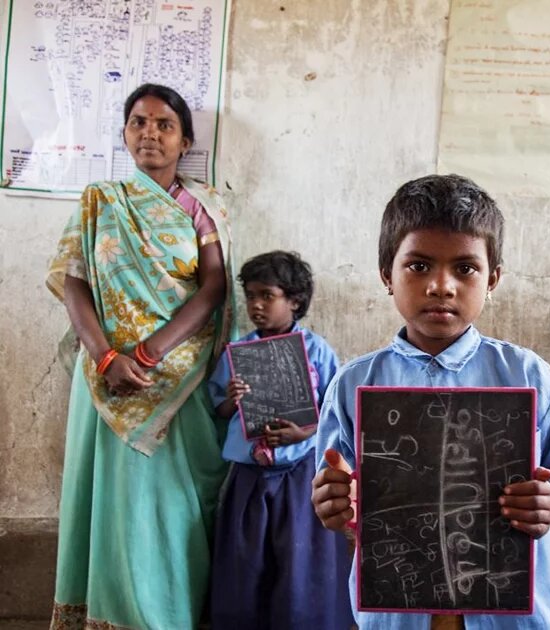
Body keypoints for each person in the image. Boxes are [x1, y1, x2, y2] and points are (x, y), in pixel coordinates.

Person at [311, 173, 550, 629]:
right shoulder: (353, 384)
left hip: (517, 611)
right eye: (419, 266)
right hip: (399, 607)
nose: (442, 285)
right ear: (387, 274)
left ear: (492, 279)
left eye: (465, 268)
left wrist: (548, 503)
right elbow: (334, 489)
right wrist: (333, 502)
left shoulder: (529, 376)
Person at [46, 83, 234, 629]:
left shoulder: (204, 205)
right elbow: (74, 282)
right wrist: (106, 356)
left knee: (172, 506)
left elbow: (215, 285)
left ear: (185, 140)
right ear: (125, 134)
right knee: (113, 502)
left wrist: (151, 353)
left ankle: (170, 616)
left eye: (164, 124)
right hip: (106, 379)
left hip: (178, 377)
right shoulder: (100, 201)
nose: (150, 132)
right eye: (138, 122)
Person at [208, 250, 353, 629]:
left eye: (267, 296)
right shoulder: (237, 353)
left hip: (301, 474)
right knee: (246, 558)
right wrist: (231, 401)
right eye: (250, 296)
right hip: (249, 476)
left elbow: (335, 416)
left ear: (294, 300)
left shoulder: (318, 351)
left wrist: (301, 432)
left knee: (301, 559)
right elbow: (218, 410)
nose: (256, 306)